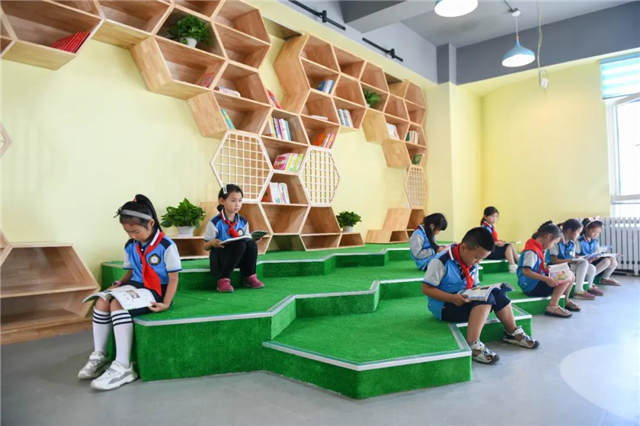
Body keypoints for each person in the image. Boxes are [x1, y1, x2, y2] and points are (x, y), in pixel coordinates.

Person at [78, 194, 181, 391]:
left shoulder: (166, 246)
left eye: (136, 231)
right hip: (135, 285)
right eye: (127, 232)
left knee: (118, 303)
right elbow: (132, 271)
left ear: (151, 223)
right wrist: (119, 283)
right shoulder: (131, 245)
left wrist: (166, 303)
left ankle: (123, 365)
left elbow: (174, 278)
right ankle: (100, 355)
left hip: (156, 290)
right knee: (102, 301)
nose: (132, 236)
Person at [422, 227, 539, 364]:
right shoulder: (441, 261)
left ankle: (512, 332)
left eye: (482, 258)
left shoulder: (472, 261)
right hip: (445, 306)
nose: (478, 262)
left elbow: (474, 286)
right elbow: (426, 289)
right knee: (486, 299)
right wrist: (452, 298)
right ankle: (472, 344)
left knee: (497, 292)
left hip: (464, 299)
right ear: (463, 247)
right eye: (477, 257)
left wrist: (482, 291)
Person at [204, 184, 264, 293]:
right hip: (221, 259)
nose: (237, 204)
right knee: (240, 244)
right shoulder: (215, 222)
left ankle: (250, 277)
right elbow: (205, 246)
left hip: (238, 257)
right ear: (222, 201)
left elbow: (246, 239)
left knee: (250, 244)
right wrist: (212, 243)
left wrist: (254, 239)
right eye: (233, 200)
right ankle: (223, 279)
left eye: (240, 200)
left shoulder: (243, 221)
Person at [517, 221, 578, 318]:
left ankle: (566, 300)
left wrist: (547, 270)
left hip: (535, 283)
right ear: (549, 237)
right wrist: (547, 279)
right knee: (568, 275)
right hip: (531, 286)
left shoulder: (538, 248)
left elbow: (536, 268)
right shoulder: (531, 251)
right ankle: (552, 306)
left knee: (570, 274)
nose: (552, 246)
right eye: (554, 243)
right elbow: (526, 271)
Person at [547, 219, 602, 300]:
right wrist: (571, 261)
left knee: (591, 267)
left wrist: (578, 260)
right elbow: (554, 261)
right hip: (553, 270)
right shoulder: (557, 242)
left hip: (566, 267)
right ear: (569, 231)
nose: (578, 235)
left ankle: (589, 286)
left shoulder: (572, 243)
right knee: (584, 263)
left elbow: (571, 258)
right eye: (578, 232)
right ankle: (578, 290)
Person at [578, 217, 621, 286]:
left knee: (613, 261)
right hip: (583, 263)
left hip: (593, 261)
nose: (596, 234)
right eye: (593, 231)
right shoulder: (579, 241)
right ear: (586, 228)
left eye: (598, 232)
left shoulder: (595, 241)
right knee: (606, 261)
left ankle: (604, 278)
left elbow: (597, 252)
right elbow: (576, 255)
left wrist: (600, 256)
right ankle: (588, 278)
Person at [481, 206, 519, 274]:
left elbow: (493, 239)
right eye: (492, 216)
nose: (494, 219)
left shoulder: (491, 227)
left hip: (492, 248)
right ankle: (512, 266)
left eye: (496, 217)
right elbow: (485, 243)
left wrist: (499, 242)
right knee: (508, 247)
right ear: (485, 217)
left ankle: (520, 264)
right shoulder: (484, 228)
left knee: (510, 245)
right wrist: (497, 243)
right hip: (488, 251)